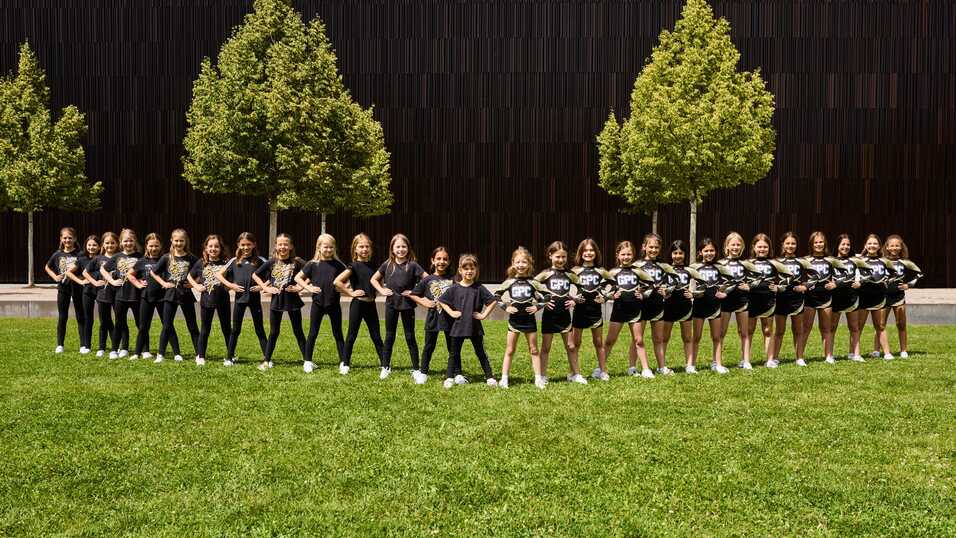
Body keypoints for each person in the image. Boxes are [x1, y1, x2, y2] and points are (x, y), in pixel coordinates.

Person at [437, 253, 498, 389]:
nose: (469, 271)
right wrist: (452, 312)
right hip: (458, 326)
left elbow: (493, 301)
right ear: (460, 270)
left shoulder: (479, 288)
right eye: (466, 268)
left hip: (474, 326)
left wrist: (483, 315)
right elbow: (441, 301)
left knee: (481, 352)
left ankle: (489, 377)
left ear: (476, 270)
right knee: (453, 354)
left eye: (472, 268)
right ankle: (449, 378)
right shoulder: (454, 288)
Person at [371, 233, 426, 380]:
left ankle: (416, 368)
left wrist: (415, 291)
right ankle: (385, 366)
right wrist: (382, 290)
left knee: (410, 337)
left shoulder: (413, 265)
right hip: (391, 305)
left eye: (404, 246)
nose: (401, 249)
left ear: (408, 248)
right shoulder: (387, 264)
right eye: (398, 246)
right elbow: (374, 279)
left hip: (407, 305)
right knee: (389, 337)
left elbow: (427, 279)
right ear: (392, 248)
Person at [252, 233, 307, 371]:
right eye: (280, 244)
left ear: (291, 246)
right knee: (274, 332)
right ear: (276, 246)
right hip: (276, 302)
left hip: (293, 301)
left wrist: (300, 287)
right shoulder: (271, 262)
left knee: (298, 331)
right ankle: (267, 360)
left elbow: (311, 273)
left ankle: (307, 360)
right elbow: (255, 275)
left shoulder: (297, 262)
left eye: (285, 244)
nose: (283, 247)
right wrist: (265, 288)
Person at [535, 241, 588, 385]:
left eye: (563, 257)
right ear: (550, 255)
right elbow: (532, 287)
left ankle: (575, 374)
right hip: (549, 316)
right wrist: (543, 301)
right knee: (546, 347)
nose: (561, 260)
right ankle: (542, 375)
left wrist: (574, 300)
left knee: (571, 346)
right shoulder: (545, 274)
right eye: (557, 257)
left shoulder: (570, 274)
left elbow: (582, 288)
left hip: (565, 315)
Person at [333, 233, 385, 375]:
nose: (364, 249)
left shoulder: (375, 266)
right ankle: (345, 363)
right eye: (361, 246)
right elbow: (337, 281)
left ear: (371, 249)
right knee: (351, 335)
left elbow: (379, 282)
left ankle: (385, 364)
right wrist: (350, 293)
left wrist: (380, 289)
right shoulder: (353, 266)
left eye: (367, 246)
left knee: (376, 335)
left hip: (371, 305)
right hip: (358, 305)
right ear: (355, 249)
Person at [497, 247, 548, 389]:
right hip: (514, 321)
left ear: (529, 264)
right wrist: (506, 307)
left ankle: (538, 379)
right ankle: (504, 379)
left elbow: (547, 296)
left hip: (529, 321)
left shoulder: (533, 282)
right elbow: (496, 295)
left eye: (524, 262)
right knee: (510, 350)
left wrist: (537, 307)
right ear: (513, 263)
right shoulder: (509, 281)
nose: (521, 265)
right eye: (518, 262)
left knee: (534, 349)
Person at [294, 233, 347, 372]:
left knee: (338, 333)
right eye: (325, 247)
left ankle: (343, 361)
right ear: (319, 247)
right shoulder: (312, 264)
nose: (328, 250)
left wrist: (342, 287)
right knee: (313, 333)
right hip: (317, 304)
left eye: (331, 247)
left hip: (334, 304)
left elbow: (346, 279)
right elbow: (297, 277)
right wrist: (308, 287)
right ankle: (307, 361)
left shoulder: (339, 265)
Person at [216, 232, 268, 366]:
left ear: (254, 245)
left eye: (248, 244)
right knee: (235, 330)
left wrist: (262, 287)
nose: (246, 247)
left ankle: (267, 358)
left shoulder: (260, 261)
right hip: (239, 300)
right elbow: (219, 274)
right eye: (243, 244)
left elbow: (272, 276)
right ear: (238, 245)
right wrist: (230, 285)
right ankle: (229, 357)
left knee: (259, 329)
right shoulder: (234, 261)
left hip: (254, 300)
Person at [605, 241, 655, 378]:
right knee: (610, 341)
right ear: (618, 255)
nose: (626, 257)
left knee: (639, 340)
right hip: (619, 310)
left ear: (633, 255)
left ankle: (644, 369)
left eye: (629, 254)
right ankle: (601, 368)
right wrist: (611, 295)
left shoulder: (638, 271)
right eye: (623, 254)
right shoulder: (613, 272)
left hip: (635, 310)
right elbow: (602, 289)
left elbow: (651, 285)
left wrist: (644, 294)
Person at [408, 247, 456, 384]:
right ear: (433, 261)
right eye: (439, 259)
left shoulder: (454, 279)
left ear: (449, 261)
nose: (442, 261)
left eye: (445, 259)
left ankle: (456, 373)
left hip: (450, 319)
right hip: (433, 318)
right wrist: (425, 302)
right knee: (429, 346)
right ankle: (423, 372)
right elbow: (413, 294)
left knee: (452, 347)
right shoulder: (428, 279)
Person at [150, 228, 199, 363]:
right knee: (166, 325)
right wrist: (164, 283)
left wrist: (194, 282)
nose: (178, 243)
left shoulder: (191, 258)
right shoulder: (166, 257)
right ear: (172, 240)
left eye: (181, 241)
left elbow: (201, 271)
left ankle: (199, 354)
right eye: (176, 240)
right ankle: (161, 354)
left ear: (185, 241)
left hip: (186, 295)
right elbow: (153, 272)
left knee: (192, 326)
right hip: (170, 295)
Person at [571, 238, 614, 381]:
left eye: (591, 250)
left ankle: (603, 371)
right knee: (576, 343)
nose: (588, 253)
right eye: (585, 250)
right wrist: (572, 298)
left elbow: (614, 285)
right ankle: (574, 372)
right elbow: (562, 286)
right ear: (581, 253)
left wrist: (605, 297)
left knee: (598, 342)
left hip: (595, 311)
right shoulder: (575, 271)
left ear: (596, 252)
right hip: (579, 311)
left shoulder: (601, 271)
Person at [187, 234, 232, 366]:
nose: (213, 249)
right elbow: (189, 276)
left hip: (223, 300)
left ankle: (231, 355)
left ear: (221, 248)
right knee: (205, 329)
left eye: (216, 246)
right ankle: (201, 356)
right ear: (206, 248)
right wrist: (196, 286)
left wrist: (228, 287)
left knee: (226, 328)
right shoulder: (201, 262)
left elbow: (232, 279)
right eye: (210, 246)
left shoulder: (226, 263)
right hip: (206, 301)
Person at [876, 234, 922, 359]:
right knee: (880, 325)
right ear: (887, 247)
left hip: (899, 297)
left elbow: (919, 274)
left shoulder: (905, 262)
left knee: (901, 324)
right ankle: (876, 350)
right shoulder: (882, 261)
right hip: (883, 297)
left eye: (897, 245)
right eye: (892, 245)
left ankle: (903, 350)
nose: (894, 248)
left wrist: (909, 285)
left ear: (901, 247)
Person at [768, 232, 808, 367]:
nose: (790, 246)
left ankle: (800, 358)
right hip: (781, 299)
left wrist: (804, 286)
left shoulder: (802, 262)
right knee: (779, 330)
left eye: (793, 243)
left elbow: (813, 278)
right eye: (788, 243)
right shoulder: (777, 262)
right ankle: (774, 357)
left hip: (797, 299)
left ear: (796, 245)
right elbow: (770, 279)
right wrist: (775, 287)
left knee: (798, 330)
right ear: (783, 245)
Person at [690, 238, 729, 374]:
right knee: (696, 337)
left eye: (712, 250)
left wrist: (725, 294)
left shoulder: (720, 267)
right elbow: (691, 286)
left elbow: (728, 284)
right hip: (699, 306)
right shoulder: (694, 267)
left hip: (715, 305)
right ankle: (691, 365)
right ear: (700, 252)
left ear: (716, 252)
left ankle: (717, 363)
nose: (709, 253)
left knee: (717, 336)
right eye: (706, 251)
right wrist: (692, 294)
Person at [103, 228, 143, 359]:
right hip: (120, 296)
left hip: (137, 296)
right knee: (119, 323)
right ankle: (115, 349)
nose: (128, 243)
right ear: (121, 242)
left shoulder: (140, 257)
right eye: (125, 241)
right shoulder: (116, 257)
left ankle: (145, 349)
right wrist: (112, 281)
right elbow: (103, 269)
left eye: (131, 241)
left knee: (140, 323)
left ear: (135, 242)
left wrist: (142, 282)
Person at [45, 227, 85, 354]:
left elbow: (86, 268)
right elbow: (47, 266)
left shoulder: (80, 254)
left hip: (78, 288)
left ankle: (84, 345)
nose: (67, 240)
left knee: (80, 316)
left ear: (75, 239)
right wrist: (55, 276)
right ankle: (60, 344)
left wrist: (82, 277)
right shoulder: (57, 254)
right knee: (63, 316)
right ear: (61, 239)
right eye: (65, 238)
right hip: (63, 288)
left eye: (70, 238)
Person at [658, 240, 696, 374]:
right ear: (671, 254)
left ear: (685, 254)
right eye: (675, 253)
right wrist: (663, 292)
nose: (678, 256)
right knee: (664, 337)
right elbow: (659, 285)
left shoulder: (689, 270)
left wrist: (693, 293)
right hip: (668, 306)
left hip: (685, 306)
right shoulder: (666, 269)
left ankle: (689, 365)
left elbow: (704, 283)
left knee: (687, 337)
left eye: (681, 253)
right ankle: (662, 365)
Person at [639, 233, 674, 375]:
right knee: (638, 339)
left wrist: (667, 290)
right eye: (650, 247)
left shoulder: (663, 266)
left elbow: (673, 284)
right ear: (644, 247)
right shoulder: (637, 265)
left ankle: (661, 367)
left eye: (656, 247)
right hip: (641, 306)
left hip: (658, 305)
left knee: (658, 338)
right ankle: (633, 367)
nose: (653, 250)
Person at [129, 233, 168, 360]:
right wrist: (138, 283)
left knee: (167, 324)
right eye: (151, 246)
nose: (154, 248)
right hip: (146, 296)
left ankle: (177, 353)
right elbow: (130, 274)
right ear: (146, 246)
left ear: (161, 246)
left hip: (163, 297)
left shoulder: (166, 259)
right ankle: (137, 353)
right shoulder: (141, 261)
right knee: (143, 326)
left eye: (156, 245)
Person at [828, 234, 864, 362]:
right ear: (838, 246)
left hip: (851, 297)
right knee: (832, 327)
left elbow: (867, 273)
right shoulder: (831, 261)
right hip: (835, 298)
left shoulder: (855, 260)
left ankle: (856, 354)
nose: (845, 247)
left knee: (854, 327)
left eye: (848, 244)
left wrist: (860, 282)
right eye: (843, 244)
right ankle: (829, 355)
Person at [83, 232, 119, 357]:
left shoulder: (120, 258)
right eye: (107, 243)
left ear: (117, 244)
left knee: (119, 321)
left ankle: (118, 347)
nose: (110, 245)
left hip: (118, 295)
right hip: (102, 294)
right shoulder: (98, 258)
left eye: (112, 243)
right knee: (105, 321)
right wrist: (94, 282)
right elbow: (85, 272)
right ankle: (101, 348)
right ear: (103, 244)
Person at [745, 233, 778, 360]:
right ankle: (746, 359)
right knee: (749, 330)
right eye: (759, 247)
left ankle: (769, 360)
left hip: (768, 301)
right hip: (751, 300)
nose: (762, 249)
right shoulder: (748, 263)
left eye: (765, 247)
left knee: (768, 330)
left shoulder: (774, 263)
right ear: (754, 247)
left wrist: (779, 287)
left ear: (769, 248)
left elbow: (789, 276)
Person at [78, 235, 101, 355]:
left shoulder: (102, 259)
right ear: (86, 246)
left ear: (99, 247)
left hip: (102, 292)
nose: (91, 247)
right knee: (88, 319)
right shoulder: (81, 259)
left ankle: (116, 345)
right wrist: (81, 281)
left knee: (106, 319)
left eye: (94, 245)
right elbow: (70, 272)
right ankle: (86, 345)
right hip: (87, 292)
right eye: (89, 245)